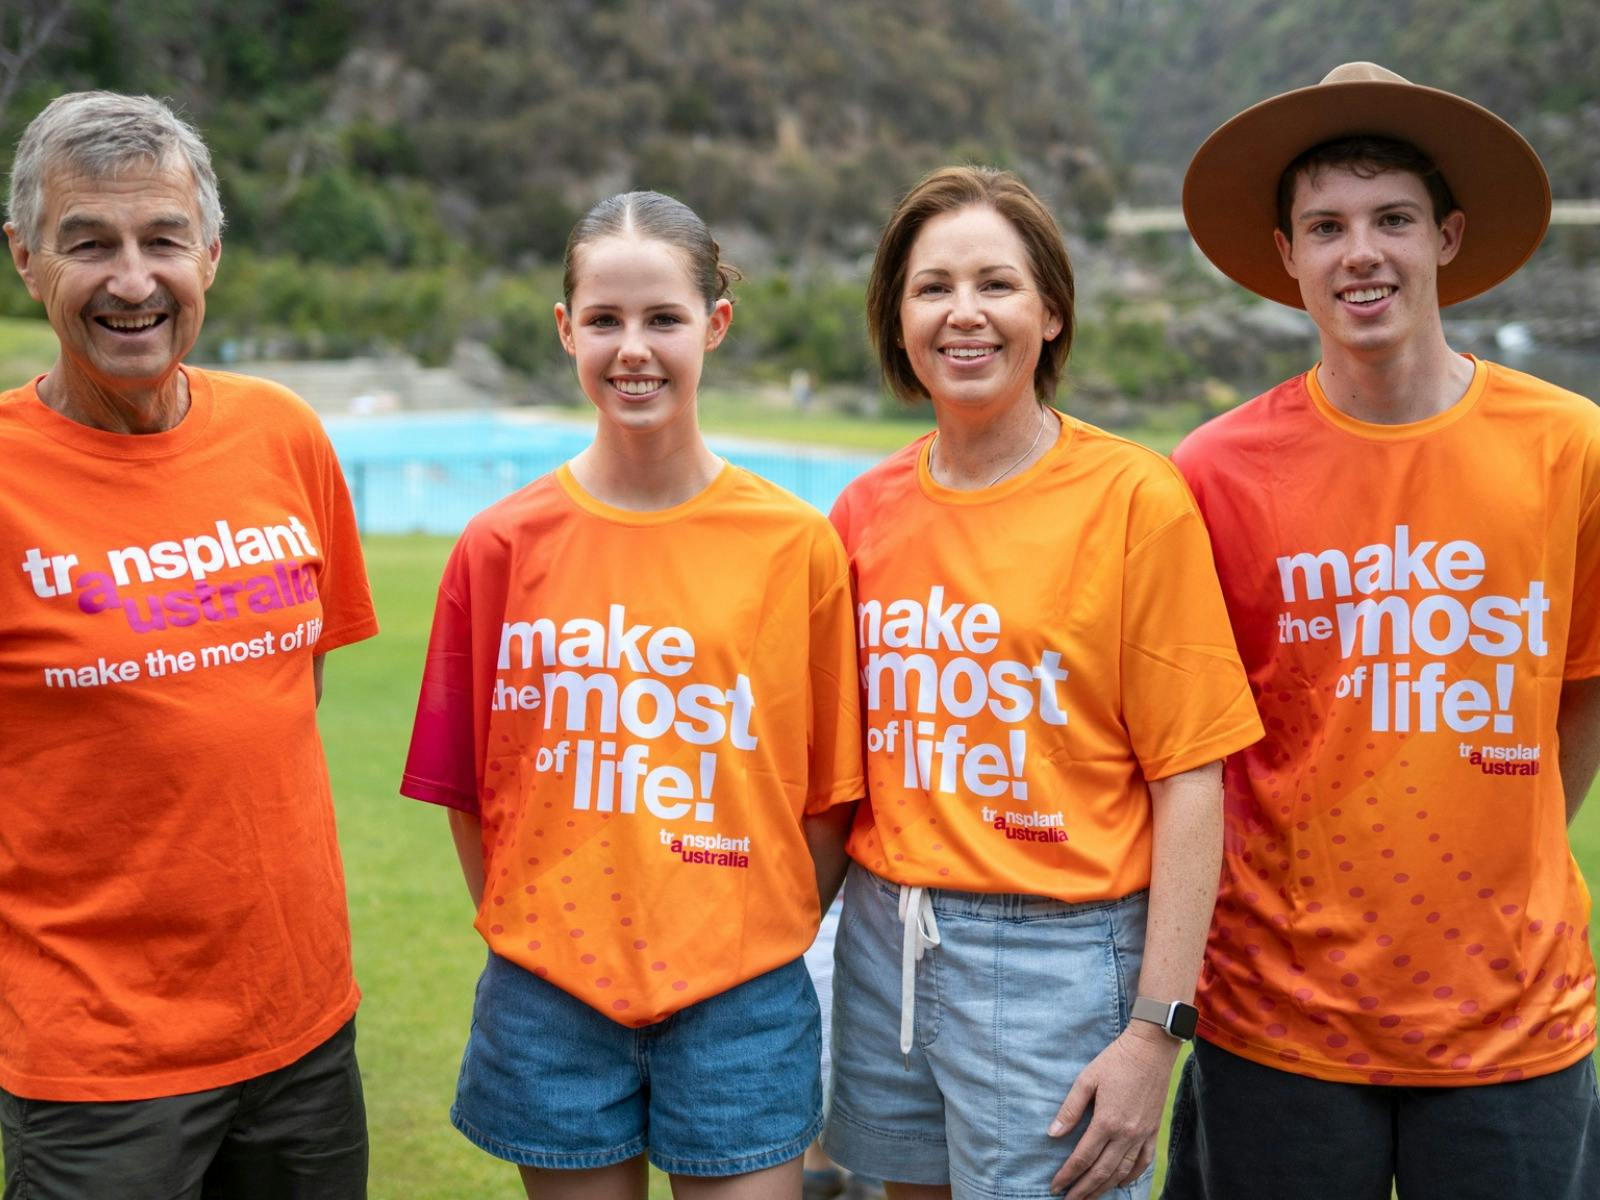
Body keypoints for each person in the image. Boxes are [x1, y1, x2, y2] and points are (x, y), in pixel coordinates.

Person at [1165, 62, 1600, 1199]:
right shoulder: (1213, 473)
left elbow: (1584, 681)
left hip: (1510, 1020)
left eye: (1391, 219)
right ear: (1286, 256)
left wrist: (1507, 862)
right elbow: (1185, 745)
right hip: (1278, 1016)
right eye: (1326, 226)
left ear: (1447, 236)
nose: (1360, 252)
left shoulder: (1567, 448)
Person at [400, 190, 863, 1198]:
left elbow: (829, 802)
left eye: (663, 318)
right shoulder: (497, 547)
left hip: (741, 999)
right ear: (566, 328)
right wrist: (545, 929)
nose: (633, 348)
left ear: (716, 324)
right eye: (604, 319)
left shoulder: (794, 545)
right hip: (550, 995)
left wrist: (746, 930)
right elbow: (475, 797)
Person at [819, 165, 1263, 1200]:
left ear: (1051, 311)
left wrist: (1155, 1031)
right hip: (886, 937)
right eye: (931, 288)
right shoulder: (862, 512)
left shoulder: (1130, 500)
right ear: (896, 318)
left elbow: (1192, 780)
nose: (962, 314)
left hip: (1059, 958)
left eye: (996, 285)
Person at [0, 92, 377, 1197]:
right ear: (26, 262)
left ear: (208, 254)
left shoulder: (283, 437)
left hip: (303, 1038)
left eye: (162, 240)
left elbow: (278, 696)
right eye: (89, 244)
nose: (131, 280)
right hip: (96, 1065)